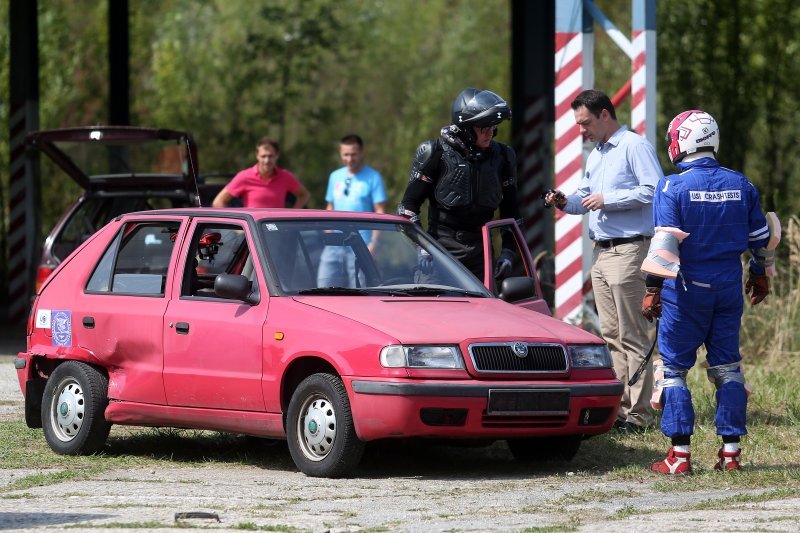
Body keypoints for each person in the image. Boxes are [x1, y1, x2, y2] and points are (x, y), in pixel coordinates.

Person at [641, 110, 777, 474]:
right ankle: (730, 455)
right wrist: (761, 275)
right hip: (729, 287)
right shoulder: (742, 184)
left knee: (672, 370)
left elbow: (665, 244)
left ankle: (679, 457)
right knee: (728, 368)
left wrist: (652, 288)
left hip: (685, 291)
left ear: (680, 141)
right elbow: (762, 239)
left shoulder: (671, 187)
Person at [543, 89, 663, 434]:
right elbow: (584, 198)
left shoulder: (634, 146)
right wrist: (563, 201)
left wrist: (608, 199)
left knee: (632, 333)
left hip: (629, 250)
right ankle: (619, 408)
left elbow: (654, 189)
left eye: (585, 123)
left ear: (605, 115)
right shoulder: (596, 154)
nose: (582, 130)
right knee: (610, 333)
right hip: (602, 252)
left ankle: (638, 415)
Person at [398, 88, 521, 280]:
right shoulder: (435, 153)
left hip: (482, 253)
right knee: (432, 310)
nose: (490, 133)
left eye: (493, 127)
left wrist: (508, 252)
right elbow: (407, 206)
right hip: (438, 252)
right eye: (484, 128)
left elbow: (511, 211)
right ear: (466, 128)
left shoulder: (504, 156)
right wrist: (422, 247)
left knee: (484, 310)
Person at [317, 134, 388, 287]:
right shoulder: (335, 176)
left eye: (353, 154)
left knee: (359, 288)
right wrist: (326, 229)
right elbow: (330, 206)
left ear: (361, 152)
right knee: (323, 286)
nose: (349, 159)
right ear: (341, 153)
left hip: (361, 244)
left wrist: (374, 244)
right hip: (334, 245)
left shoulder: (373, 177)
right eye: (346, 154)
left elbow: (380, 211)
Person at [212, 137, 310, 209]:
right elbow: (218, 202)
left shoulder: (285, 176)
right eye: (263, 156)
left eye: (270, 156)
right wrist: (236, 228)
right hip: (252, 233)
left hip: (277, 231)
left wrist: (292, 216)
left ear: (277, 156)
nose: (267, 160)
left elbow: (304, 195)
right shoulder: (244, 176)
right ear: (257, 156)